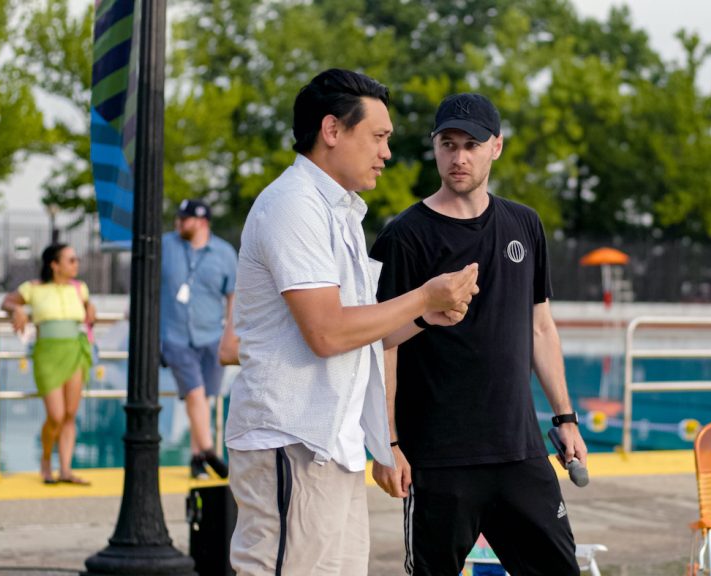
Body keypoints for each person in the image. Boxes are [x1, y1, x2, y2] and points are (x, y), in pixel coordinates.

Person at [224, 69, 479, 576]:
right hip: (290, 441)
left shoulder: (337, 213)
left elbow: (361, 333)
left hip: (331, 447)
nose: (387, 152)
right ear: (333, 131)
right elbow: (328, 333)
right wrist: (421, 295)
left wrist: (426, 317)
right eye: (379, 137)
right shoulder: (293, 206)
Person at [370, 93, 586, 576]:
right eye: (448, 144)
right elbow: (384, 342)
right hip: (440, 459)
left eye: (472, 144)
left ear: (497, 147)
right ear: (435, 148)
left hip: (520, 450)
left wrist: (565, 417)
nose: (459, 157)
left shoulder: (524, 224)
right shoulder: (404, 236)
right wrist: (388, 443)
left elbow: (540, 326)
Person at [1, 243, 95, 485]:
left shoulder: (79, 288)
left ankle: (65, 469)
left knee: (70, 414)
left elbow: (87, 307)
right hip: (47, 354)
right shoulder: (34, 288)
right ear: (54, 264)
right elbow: (7, 301)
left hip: (74, 350)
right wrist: (17, 310)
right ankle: (45, 460)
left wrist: (91, 305)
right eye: (71, 260)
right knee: (56, 414)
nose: (76, 264)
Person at [160, 199, 237, 480]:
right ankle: (209, 451)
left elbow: (233, 295)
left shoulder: (224, 253)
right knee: (194, 393)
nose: (178, 223)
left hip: (211, 337)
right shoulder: (165, 246)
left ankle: (196, 458)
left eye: (184, 219)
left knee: (203, 398)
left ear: (201, 222)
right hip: (174, 336)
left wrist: (231, 332)